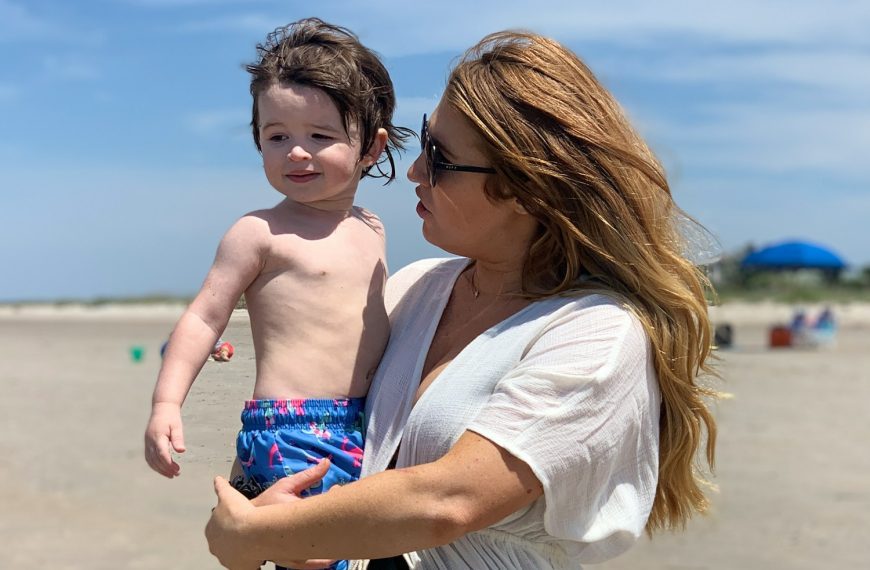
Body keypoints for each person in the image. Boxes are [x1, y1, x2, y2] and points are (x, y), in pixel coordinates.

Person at [206, 29, 719, 570]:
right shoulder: (414, 288)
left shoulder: (596, 333)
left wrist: (260, 534)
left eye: (440, 157)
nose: (414, 171)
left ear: (526, 188)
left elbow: (448, 502)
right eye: (424, 141)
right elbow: (306, 428)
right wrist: (251, 505)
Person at [145, 18, 410, 569]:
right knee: (310, 555)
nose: (296, 152)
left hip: (365, 421)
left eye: (320, 135)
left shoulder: (373, 227)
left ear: (370, 146)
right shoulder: (258, 232)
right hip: (290, 426)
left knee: (364, 549)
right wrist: (167, 403)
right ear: (258, 140)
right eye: (277, 136)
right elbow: (202, 318)